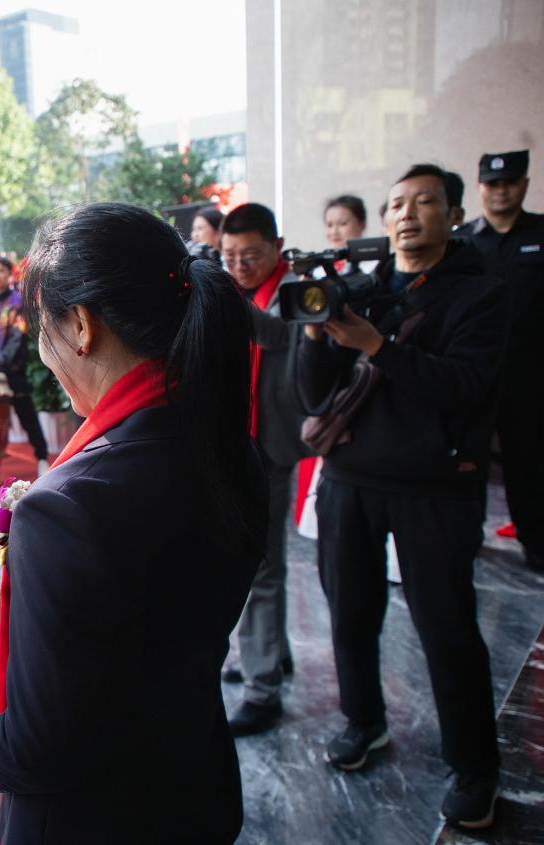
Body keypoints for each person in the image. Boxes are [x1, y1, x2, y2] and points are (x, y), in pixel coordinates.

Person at [0, 202, 265, 844]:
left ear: (81, 326)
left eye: (42, 330)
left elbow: (36, 752)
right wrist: (29, 610)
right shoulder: (230, 448)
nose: (44, 353)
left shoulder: (64, 508)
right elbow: (158, 620)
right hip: (195, 787)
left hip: (94, 820)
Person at [297, 163, 506, 828]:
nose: (408, 214)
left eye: (424, 202)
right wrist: (314, 334)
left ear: (453, 215)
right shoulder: (358, 288)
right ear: (384, 220)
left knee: (447, 629)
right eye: (397, 204)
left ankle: (474, 767)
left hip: (435, 487)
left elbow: (463, 387)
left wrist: (377, 346)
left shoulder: (479, 292)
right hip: (350, 478)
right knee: (349, 614)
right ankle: (363, 721)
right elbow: (312, 395)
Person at [218, 202, 307, 735]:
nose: (239, 266)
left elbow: (278, 337)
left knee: (261, 566)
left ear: (277, 247)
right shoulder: (242, 289)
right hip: (242, 442)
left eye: (250, 255)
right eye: (229, 257)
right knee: (264, 561)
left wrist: (224, 297)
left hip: (271, 445)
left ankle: (262, 690)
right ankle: (272, 653)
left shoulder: (296, 290)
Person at [456, 149, 543, 572]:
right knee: (467, 460)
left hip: (530, 374)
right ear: (479, 189)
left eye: (509, 182)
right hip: (474, 372)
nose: (500, 191)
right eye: (492, 184)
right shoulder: (462, 242)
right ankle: (466, 538)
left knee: (529, 461)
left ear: (524, 185)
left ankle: (536, 542)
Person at [0, 256, 49, 473]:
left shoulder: (18, 302)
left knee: (27, 416)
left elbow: (17, 336)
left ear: (9, 274)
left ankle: (42, 457)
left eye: (1, 271)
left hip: (12, 371)